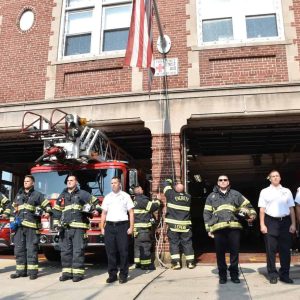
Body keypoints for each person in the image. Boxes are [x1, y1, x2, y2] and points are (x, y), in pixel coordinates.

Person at [203, 175, 256, 284]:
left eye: (225, 180)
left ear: (228, 182)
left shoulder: (235, 194)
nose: (223, 181)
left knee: (234, 252)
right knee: (220, 253)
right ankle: (222, 276)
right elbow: (206, 213)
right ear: (217, 182)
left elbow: (248, 206)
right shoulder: (211, 196)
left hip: (234, 228)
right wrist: (208, 229)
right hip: (218, 228)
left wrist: (252, 216)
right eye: (220, 180)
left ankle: (234, 275)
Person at [52, 175, 100, 282]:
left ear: (76, 182)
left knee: (78, 251)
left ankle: (78, 274)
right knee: (65, 251)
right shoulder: (62, 195)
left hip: (78, 228)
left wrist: (97, 210)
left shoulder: (82, 193)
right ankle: (67, 273)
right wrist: (56, 224)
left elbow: (96, 202)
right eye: (68, 181)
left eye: (71, 180)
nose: (69, 182)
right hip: (65, 228)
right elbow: (56, 211)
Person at [10, 175, 52, 280]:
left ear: (33, 183)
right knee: (19, 249)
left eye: (28, 181)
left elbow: (48, 206)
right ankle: (20, 271)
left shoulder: (38, 195)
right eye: (24, 181)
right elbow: (12, 209)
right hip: (19, 227)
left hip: (31, 228)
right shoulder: (18, 196)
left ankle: (32, 272)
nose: (25, 183)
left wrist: (47, 212)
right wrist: (12, 221)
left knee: (31, 249)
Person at [258, 170, 296, 284]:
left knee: (285, 250)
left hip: (285, 222)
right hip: (270, 221)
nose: (275, 178)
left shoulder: (287, 191)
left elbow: (291, 209)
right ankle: (272, 274)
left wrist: (293, 224)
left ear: (280, 178)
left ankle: (285, 275)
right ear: (269, 179)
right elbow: (262, 210)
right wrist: (262, 224)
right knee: (271, 250)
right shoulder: (264, 191)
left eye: (277, 176)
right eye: (273, 176)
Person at [100, 177, 134, 284]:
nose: (113, 185)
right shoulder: (108, 197)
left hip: (122, 226)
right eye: (111, 183)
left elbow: (131, 212)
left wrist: (131, 227)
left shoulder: (125, 196)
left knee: (123, 251)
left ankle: (123, 275)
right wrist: (102, 227)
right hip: (109, 226)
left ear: (120, 184)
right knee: (110, 252)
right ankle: (112, 275)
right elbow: (104, 213)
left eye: (115, 183)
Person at [163, 178, 195, 270]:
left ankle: (176, 263)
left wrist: (169, 180)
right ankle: (190, 263)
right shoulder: (188, 197)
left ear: (175, 189)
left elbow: (165, 185)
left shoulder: (170, 194)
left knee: (174, 244)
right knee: (187, 243)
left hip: (173, 226)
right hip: (185, 225)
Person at [133, 185, 160, 270]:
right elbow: (153, 207)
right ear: (139, 191)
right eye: (141, 188)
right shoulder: (142, 200)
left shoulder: (134, 200)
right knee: (145, 246)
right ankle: (146, 265)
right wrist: (157, 200)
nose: (143, 189)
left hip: (136, 229)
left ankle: (137, 263)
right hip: (143, 228)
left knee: (137, 246)